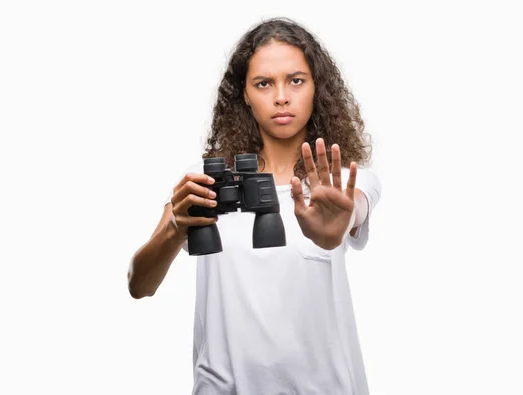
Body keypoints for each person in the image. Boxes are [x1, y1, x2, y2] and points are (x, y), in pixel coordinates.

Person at [128, 17, 382, 395]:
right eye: (264, 83)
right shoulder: (205, 182)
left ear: (317, 88)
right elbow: (139, 285)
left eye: (296, 80)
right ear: (245, 94)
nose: (281, 96)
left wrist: (337, 228)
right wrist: (174, 227)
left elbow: (351, 211)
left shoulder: (343, 181)